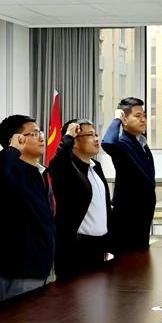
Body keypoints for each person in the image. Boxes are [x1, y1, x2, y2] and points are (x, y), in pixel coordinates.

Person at [0, 115, 55, 301]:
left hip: (43, 266)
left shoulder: (40, 171)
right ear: (17, 139)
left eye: (40, 132)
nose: (41, 137)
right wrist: (12, 149)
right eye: (34, 133)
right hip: (20, 269)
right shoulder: (9, 170)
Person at [47, 119, 112, 278]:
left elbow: (103, 207)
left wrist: (107, 243)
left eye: (96, 134)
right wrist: (68, 136)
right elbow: (55, 165)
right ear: (74, 143)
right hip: (76, 248)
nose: (96, 138)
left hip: (98, 245)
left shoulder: (96, 166)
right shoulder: (67, 168)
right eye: (90, 135)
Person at [101, 97, 156, 253]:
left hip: (142, 221)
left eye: (144, 115)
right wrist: (116, 119)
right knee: (126, 266)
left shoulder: (141, 144)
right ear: (124, 119)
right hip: (126, 221)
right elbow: (108, 143)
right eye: (137, 116)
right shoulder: (123, 144)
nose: (143, 120)